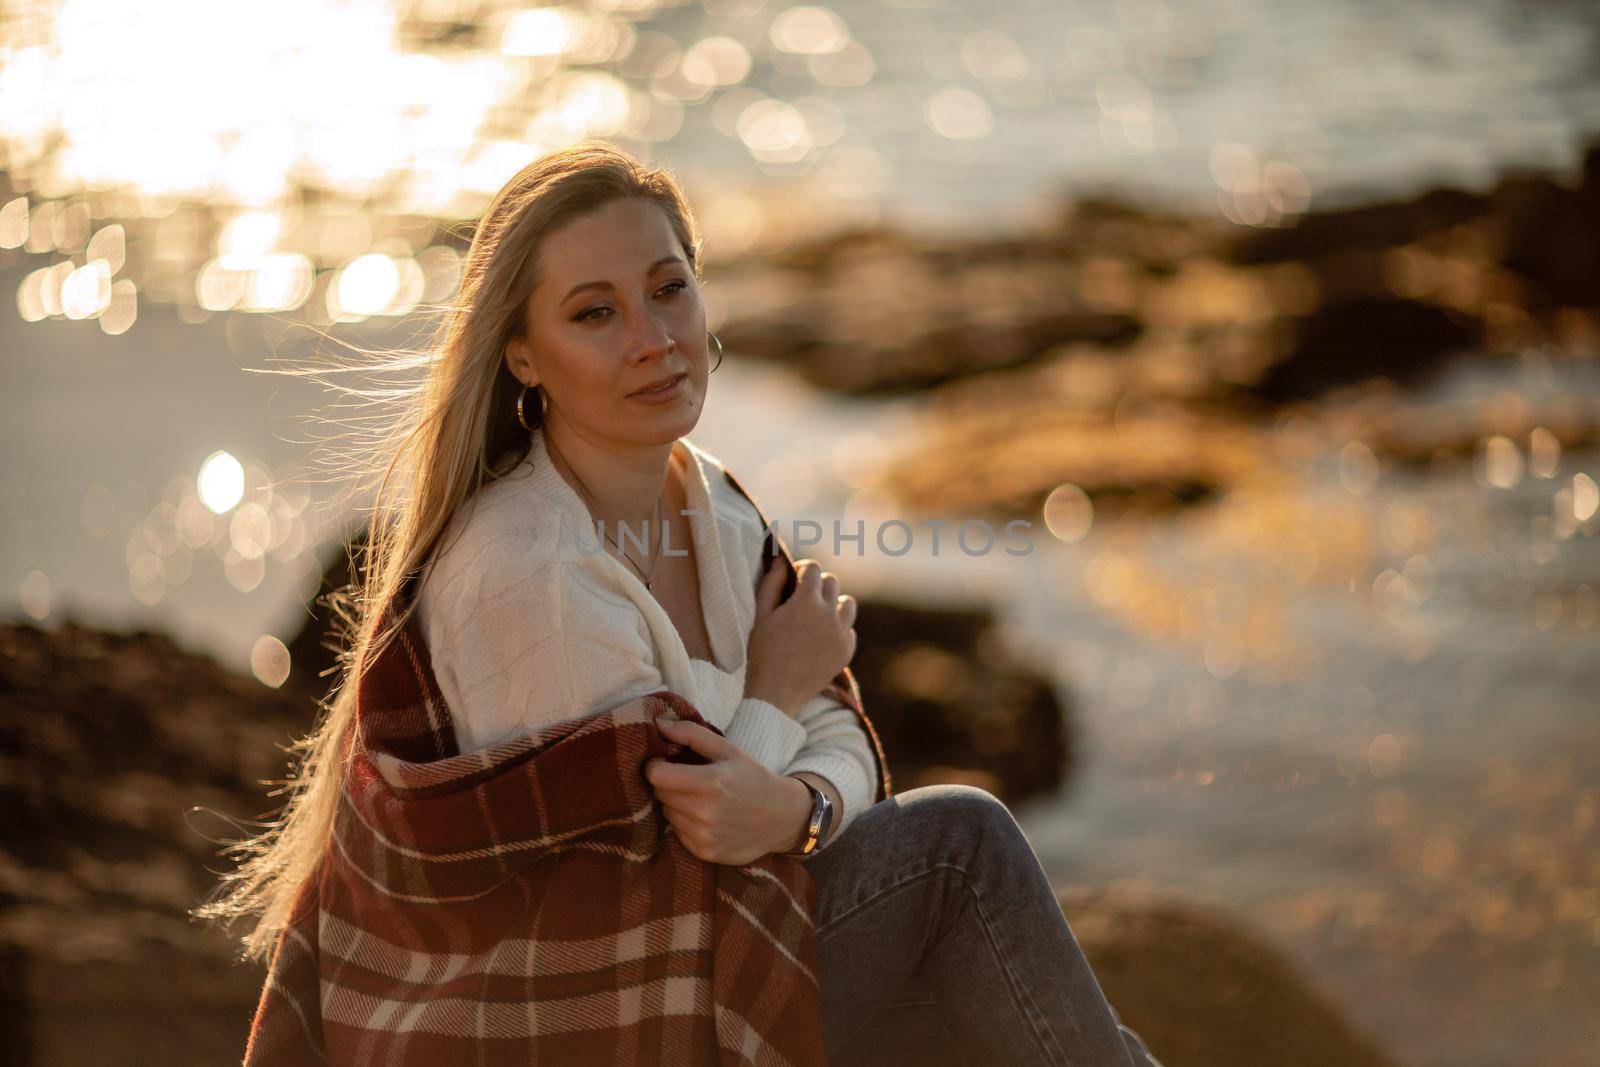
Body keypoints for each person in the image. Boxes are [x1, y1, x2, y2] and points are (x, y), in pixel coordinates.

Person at [206, 141, 1158, 1065]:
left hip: (699, 949)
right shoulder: (529, 572)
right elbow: (654, 874)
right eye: (594, 314)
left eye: (669, 289)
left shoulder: (707, 501)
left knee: (1006, 1010)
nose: (655, 340)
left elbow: (838, 752)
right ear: (523, 357)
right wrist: (776, 691)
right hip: (567, 1014)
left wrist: (797, 811)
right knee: (960, 848)